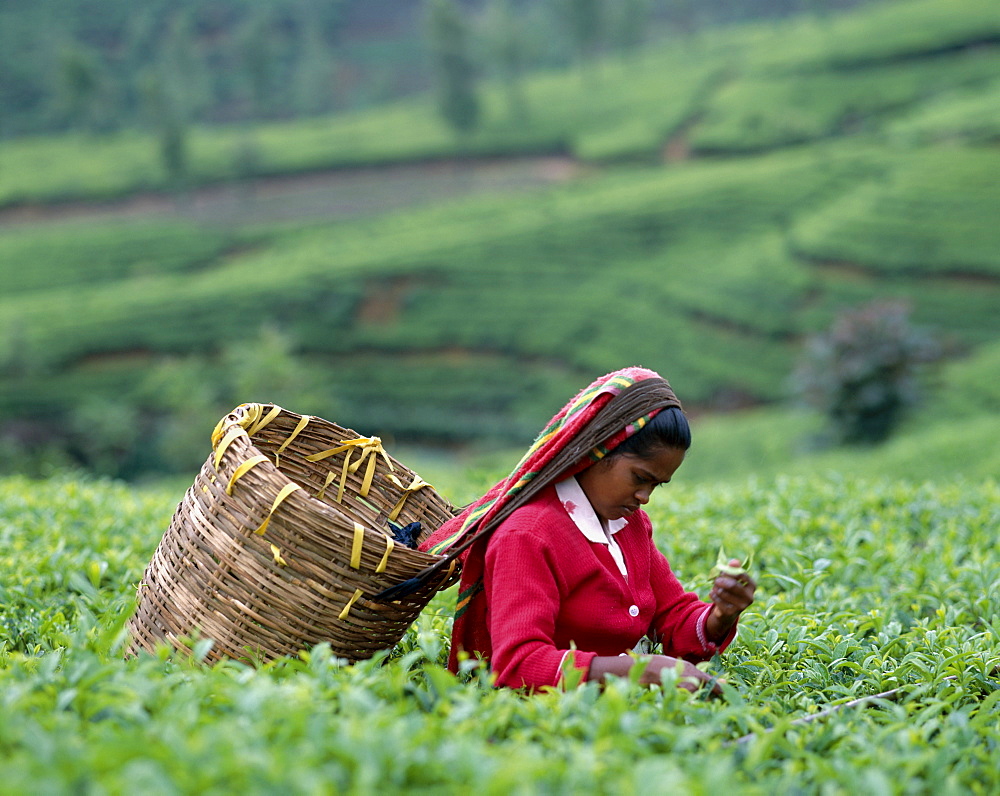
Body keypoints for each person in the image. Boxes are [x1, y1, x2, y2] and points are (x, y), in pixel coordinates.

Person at [418, 366, 755, 691]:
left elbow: (673, 616)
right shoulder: (527, 535)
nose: (645, 497)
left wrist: (722, 614)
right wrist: (638, 670)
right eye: (640, 478)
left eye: (657, 485)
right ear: (597, 449)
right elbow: (518, 665)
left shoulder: (630, 525)